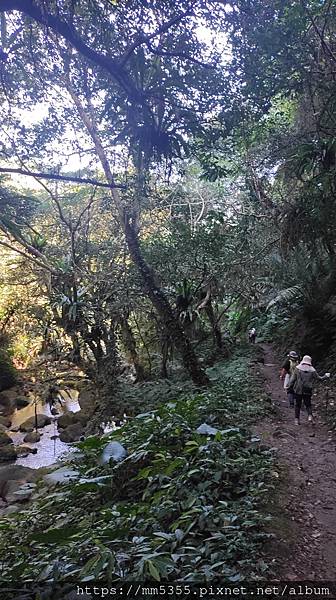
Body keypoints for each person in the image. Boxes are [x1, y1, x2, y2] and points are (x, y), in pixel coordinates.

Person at [288, 355, 330, 425]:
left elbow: (292, 380)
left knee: (297, 405)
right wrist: (326, 376)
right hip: (308, 390)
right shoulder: (312, 370)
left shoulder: (297, 369)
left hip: (298, 390)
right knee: (308, 404)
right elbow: (319, 378)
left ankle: (296, 420)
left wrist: (289, 387)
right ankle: (310, 416)